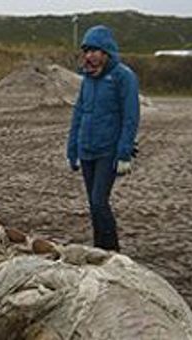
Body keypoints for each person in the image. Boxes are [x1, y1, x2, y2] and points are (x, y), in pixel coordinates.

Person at [66, 25, 140, 252]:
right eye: (86, 51)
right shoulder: (87, 78)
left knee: (99, 202)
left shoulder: (123, 77)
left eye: (95, 51)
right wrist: (73, 148)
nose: (89, 56)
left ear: (107, 52)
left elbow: (131, 116)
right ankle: (100, 249)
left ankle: (112, 250)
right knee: (93, 204)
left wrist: (124, 152)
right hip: (87, 149)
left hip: (109, 151)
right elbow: (79, 113)